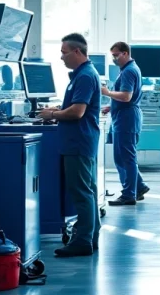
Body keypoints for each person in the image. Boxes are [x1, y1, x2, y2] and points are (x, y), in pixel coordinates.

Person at [38, 33, 102, 257]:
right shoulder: (82, 75)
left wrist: (51, 114)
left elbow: (77, 112)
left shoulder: (84, 76)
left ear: (77, 52)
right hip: (81, 141)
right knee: (88, 190)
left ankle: (83, 240)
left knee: (81, 192)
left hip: (78, 142)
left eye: (64, 53)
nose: (61, 57)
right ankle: (90, 236)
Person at [101, 41, 149, 206]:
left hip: (127, 118)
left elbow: (127, 96)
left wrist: (107, 92)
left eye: (116, 55)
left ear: (125, 53)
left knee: (125, 157)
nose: (114, 59)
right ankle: (139, 187)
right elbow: (124, 96)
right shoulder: (128, 70)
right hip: (124, 115)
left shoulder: (129, 71)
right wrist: (112, 104)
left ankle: (129, 194)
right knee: (123, 156)